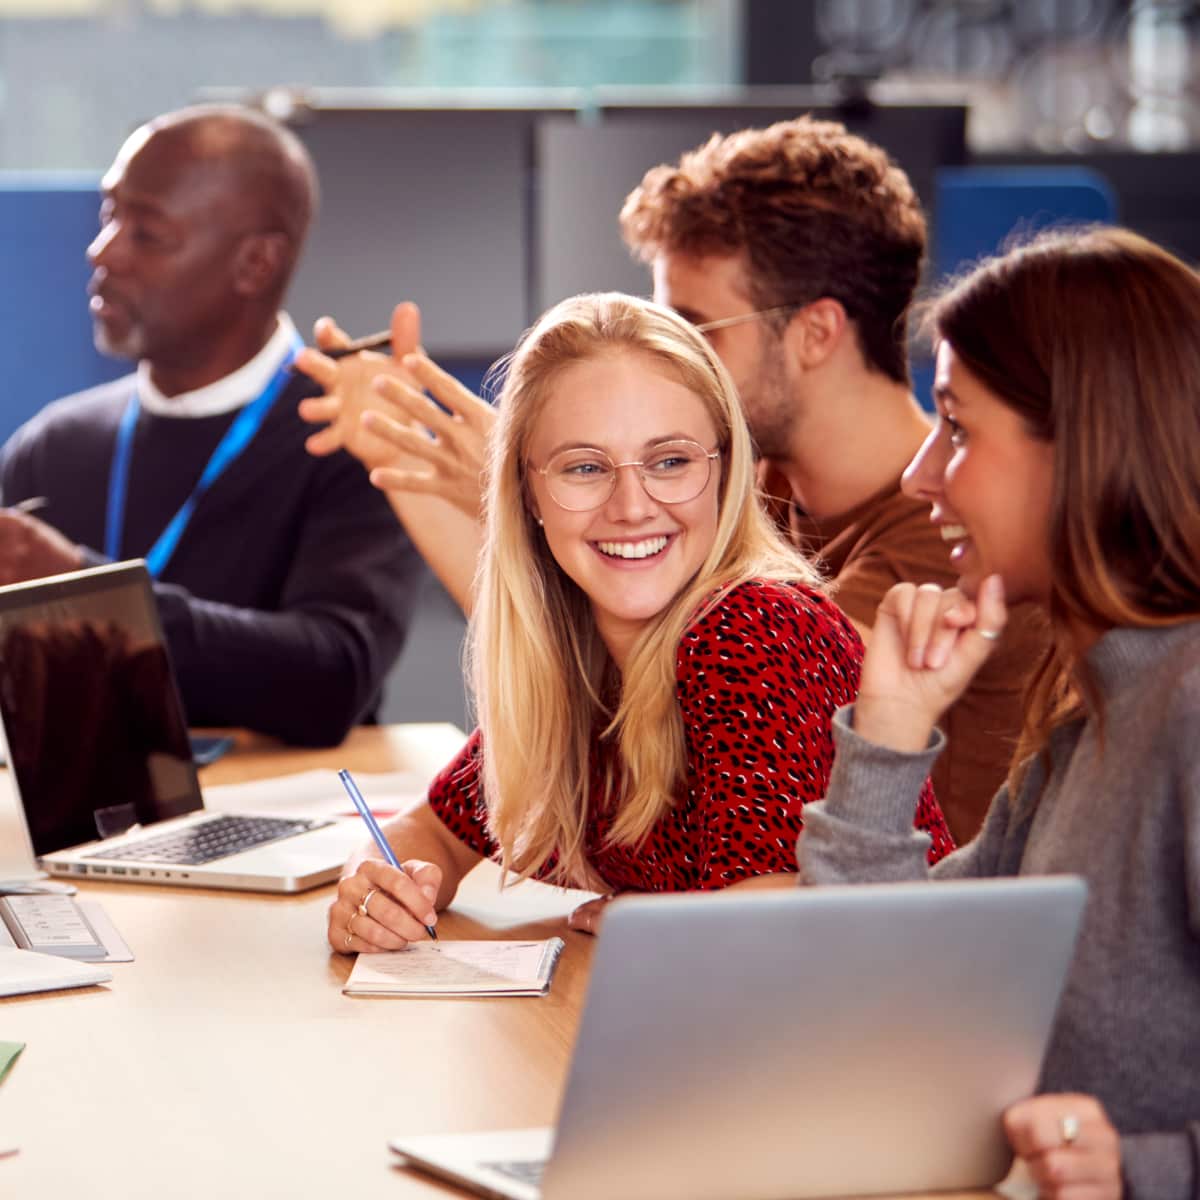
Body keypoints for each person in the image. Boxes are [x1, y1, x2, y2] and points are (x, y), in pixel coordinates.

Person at [297, 116, 1045, 843]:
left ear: (816, 333)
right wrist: (411, 464)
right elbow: (569, 653)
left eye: (694, 327)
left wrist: (534, 494)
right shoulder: (747, 488)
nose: (668, 355)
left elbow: (647, 711)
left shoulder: (951, 539)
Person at [326, 293, 951, 951]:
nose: (631, 507)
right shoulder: (580, 649)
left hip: (896, 1030)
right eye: (586, 467)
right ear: (527, 493)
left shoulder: (755, 628)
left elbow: (773, 930)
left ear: (725, 469)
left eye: (671, 461)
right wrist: (378, 884)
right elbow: (432, 832)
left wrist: (644, 921)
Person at [796, 227, 1200, 1200]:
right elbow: (893, 988)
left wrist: (1159, 1169)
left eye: (960, 428)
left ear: (1088, 447)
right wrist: (888, 730)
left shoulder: (1190, 707)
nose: (919, 473)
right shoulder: (1088, 703)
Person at [0, 104, 421, 747]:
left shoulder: (347, 435)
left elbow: (333, 676)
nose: (101, 251)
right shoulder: (54, 444)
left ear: (255, 264)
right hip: (86, 821)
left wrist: (88, 595)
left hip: (283, 821)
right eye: (111, 215)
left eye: (147, 233)